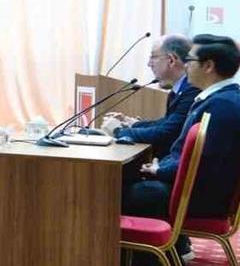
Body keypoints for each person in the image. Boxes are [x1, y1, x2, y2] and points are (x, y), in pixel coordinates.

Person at [124, 34, 240, 221]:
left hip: (199, 200)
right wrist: (160, 166)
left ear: (208, 66)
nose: (185, 66)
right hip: (191, 189)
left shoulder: (222, 105)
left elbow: (202, 162)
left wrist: (160, 170)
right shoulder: (219, 99)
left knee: (111, 192)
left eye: (190, 60)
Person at [102, 34, 202, 158]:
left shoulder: (191, 90)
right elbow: (167, 123)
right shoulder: (180, 89)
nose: (149, 64)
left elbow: (167, 133)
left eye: (153, 57)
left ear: (171, 60)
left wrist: (118, 131)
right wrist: (133, 124)